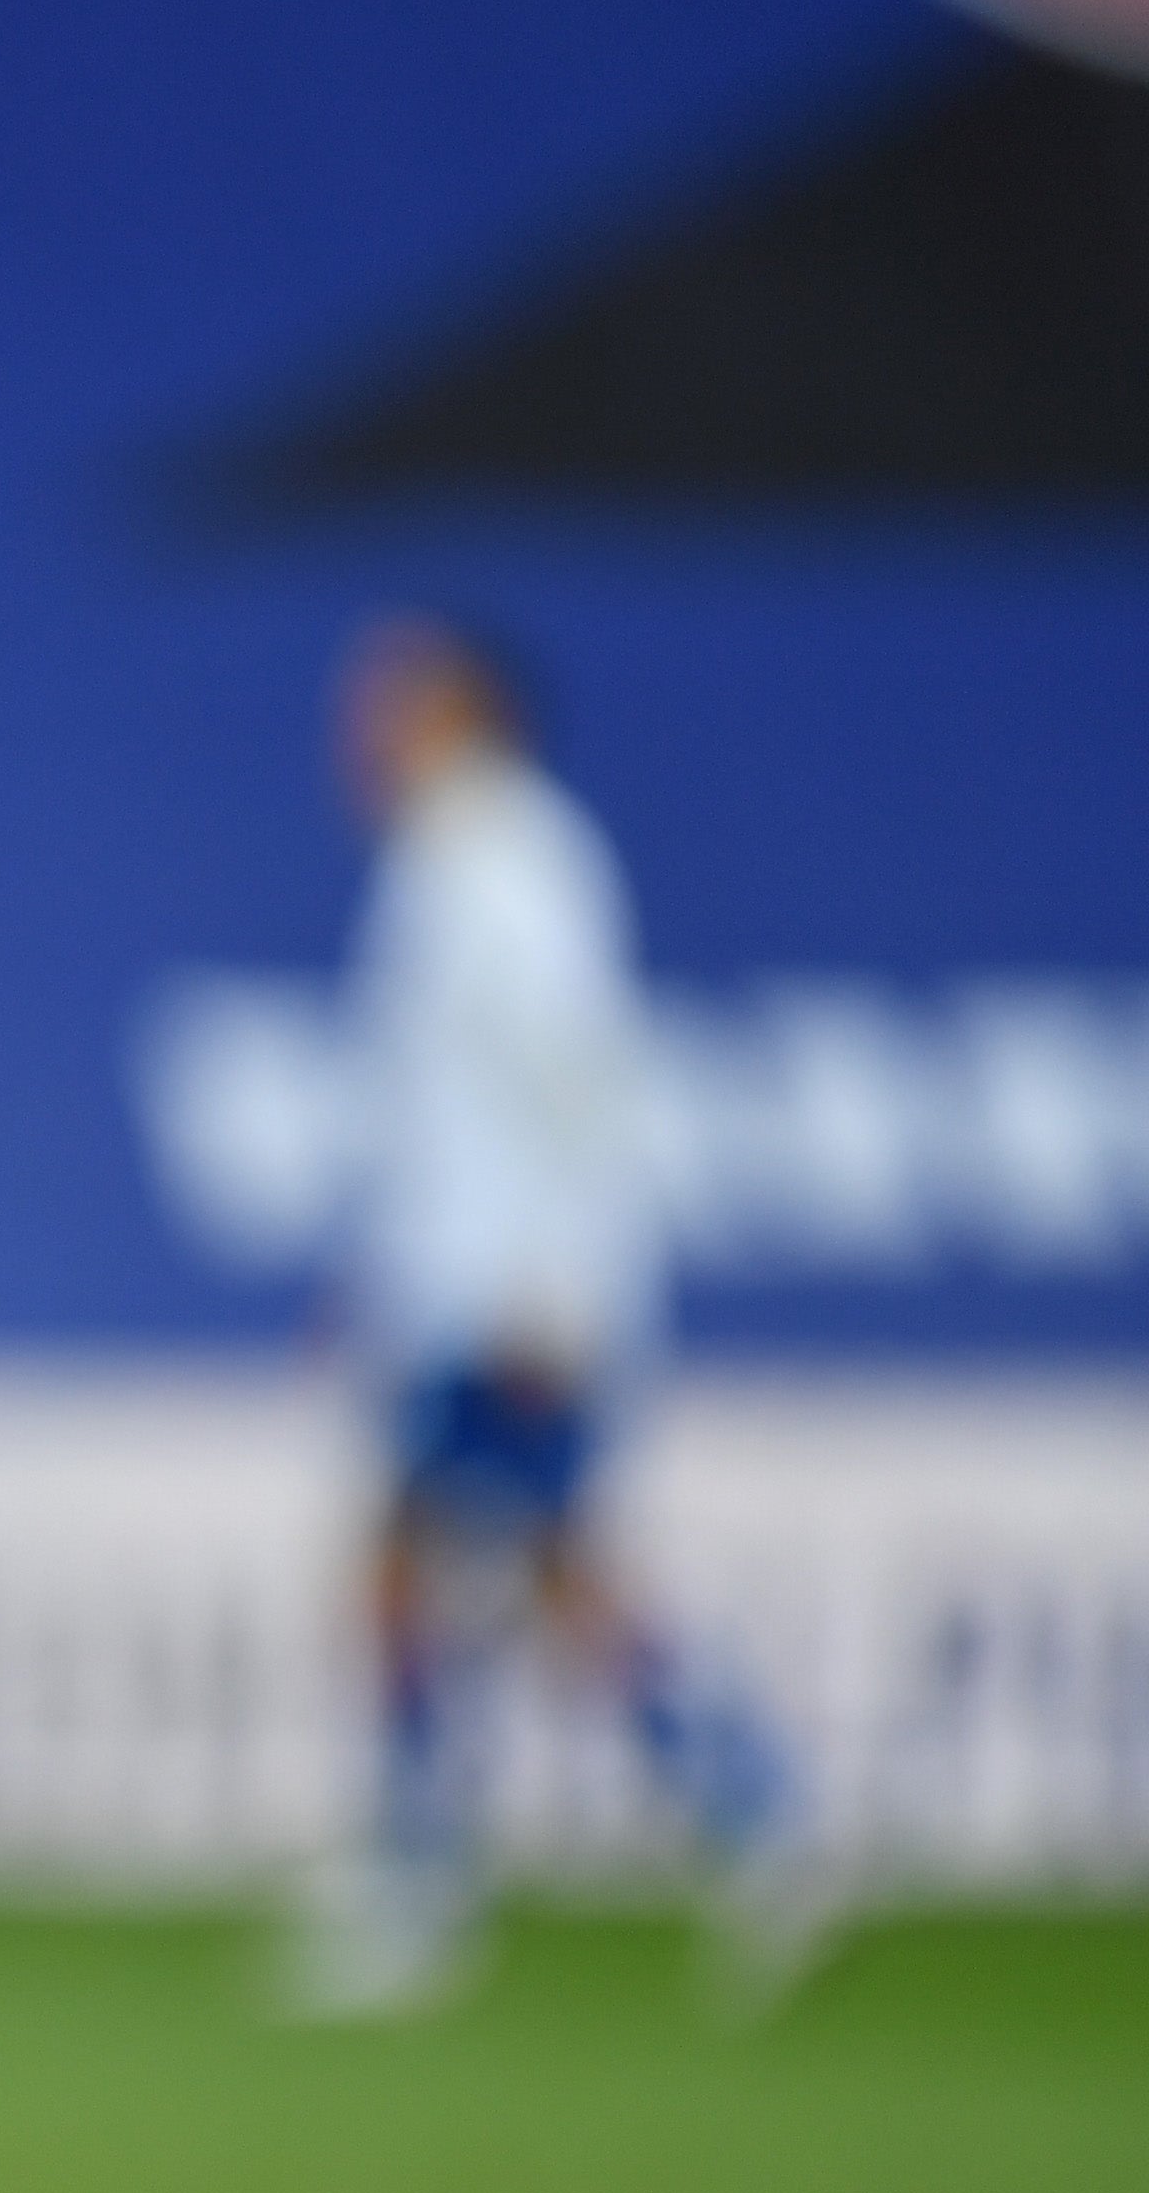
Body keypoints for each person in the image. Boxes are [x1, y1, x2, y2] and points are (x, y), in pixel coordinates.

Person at [293, 614, 817, 2017]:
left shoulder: (518, 870)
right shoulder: (446, 866)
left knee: (438, 1563)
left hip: (514, 1304)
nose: (361, 731)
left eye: (390, 702)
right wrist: (375, 1281)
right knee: (546, 1576)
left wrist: (559, 1292)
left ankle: (423, 1879)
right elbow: (439, 1118)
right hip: (457, 1290)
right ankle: (755, 1816)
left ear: (466, 713)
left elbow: (579, 1090)